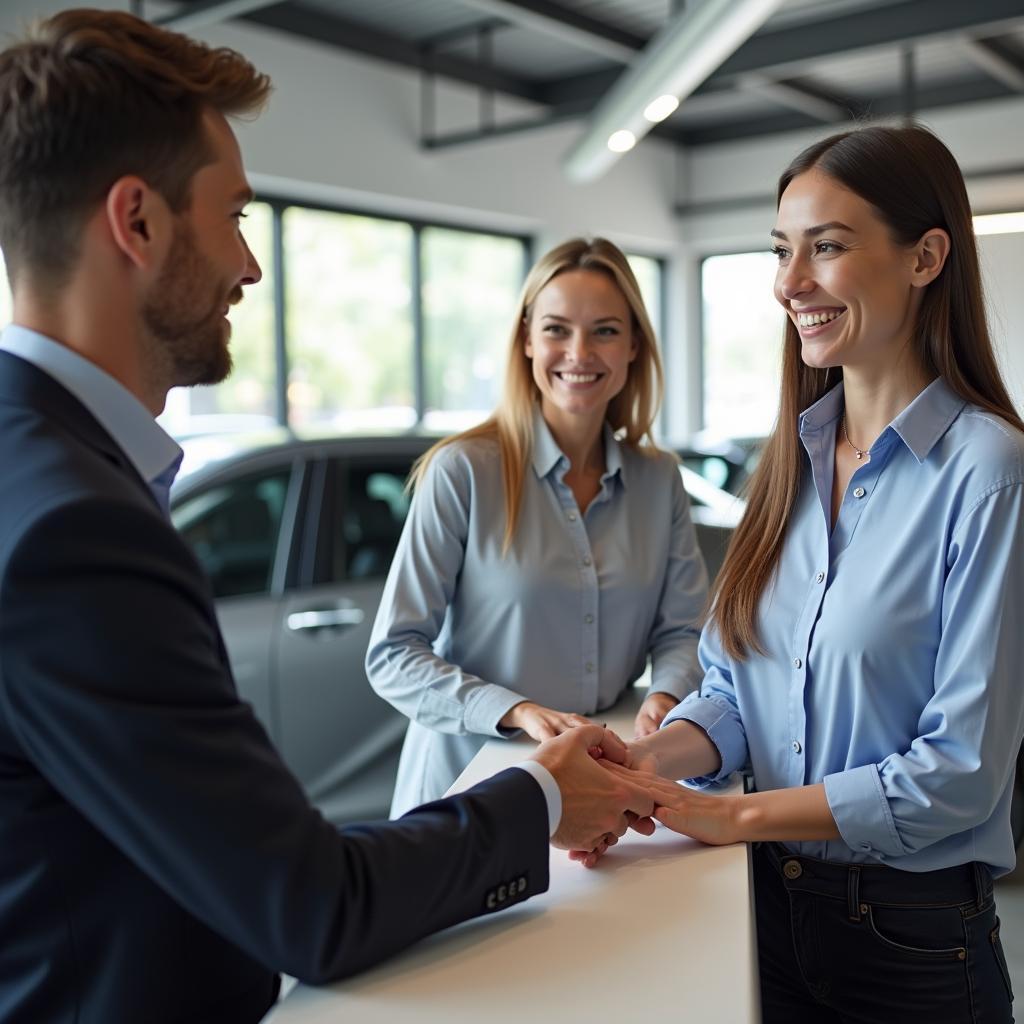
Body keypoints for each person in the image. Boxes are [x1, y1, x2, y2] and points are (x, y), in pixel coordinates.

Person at [0, 11, 657, 1023]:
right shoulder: (74, 529)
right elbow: (311, 903)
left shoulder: (37, 468)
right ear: (136, 223)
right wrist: (543, 793)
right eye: (236, 218)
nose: (250, 268)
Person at [593, 124, 1024, 1022]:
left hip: (911, 945)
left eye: (826, 247)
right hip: (764, 920)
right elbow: (736, 691)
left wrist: (737, 816)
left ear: (926, 257)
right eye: (782, 251)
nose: (790, 283)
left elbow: (961, 772)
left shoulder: (990, 473)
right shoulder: (790, 461)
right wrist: (638, 768)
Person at [366, 237, 708, 816]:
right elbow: (393, 655)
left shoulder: (659, 481)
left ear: (632, 347)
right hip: (467, 787)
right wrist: (516, 709)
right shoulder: (463, 472)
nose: (579, 352)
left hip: (601, 776)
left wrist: (668, 694)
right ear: (527, 340)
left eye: (604, 330)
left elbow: (683, 630)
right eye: (556, 329)